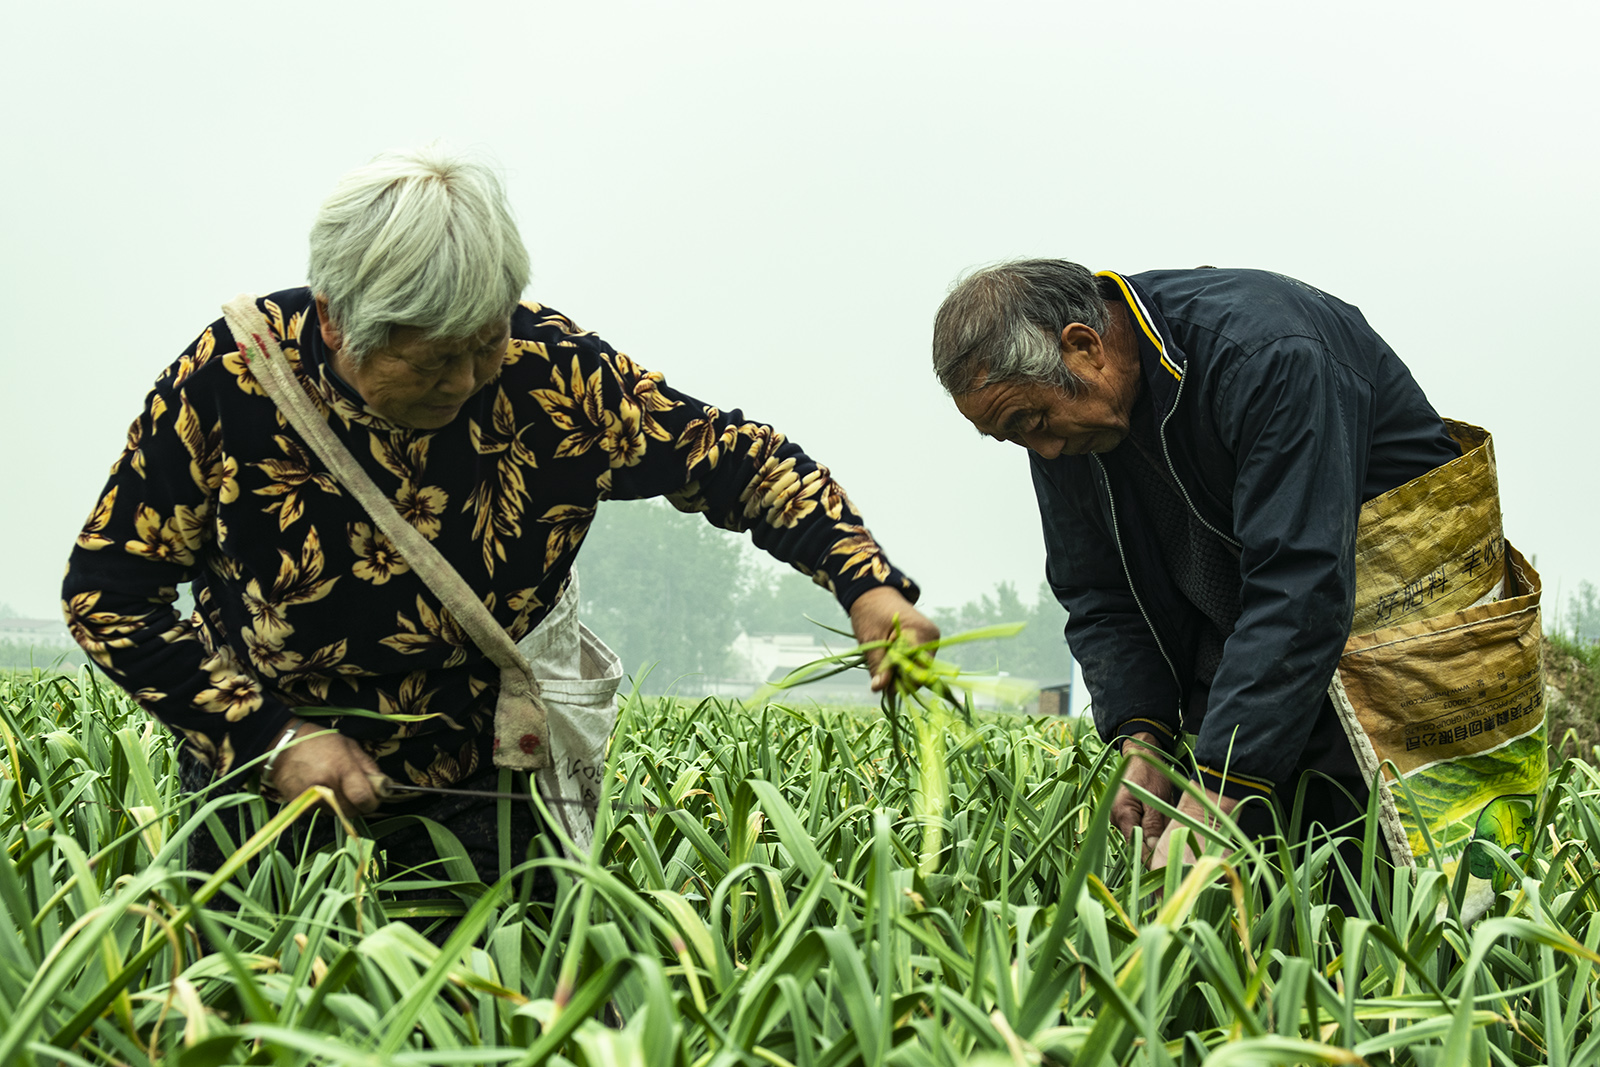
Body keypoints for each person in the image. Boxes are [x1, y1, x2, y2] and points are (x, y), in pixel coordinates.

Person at [63, 145, 937, 895]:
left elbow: (738, 461)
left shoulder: (553, 374)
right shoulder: (230, 382)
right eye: (433, 359)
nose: (467, 380)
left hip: (485, 781)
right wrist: (266, 735)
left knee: (514, 1004)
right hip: (269, 781)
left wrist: (865, 583)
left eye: (486, 343)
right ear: (335, 321)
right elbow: (108, 592)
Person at [931, 260, 1458, 874]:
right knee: (1233, 891)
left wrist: (1219, 789)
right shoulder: (1064, 430)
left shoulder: (1263, 354)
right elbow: (1099, 592)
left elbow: (1299, 583)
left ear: (1084, 346)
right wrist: (1143, 740)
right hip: (1248, 654)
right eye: (1014, 436)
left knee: (1394, 885)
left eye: (1032, 422)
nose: (1043, 451)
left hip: (1398, 656)